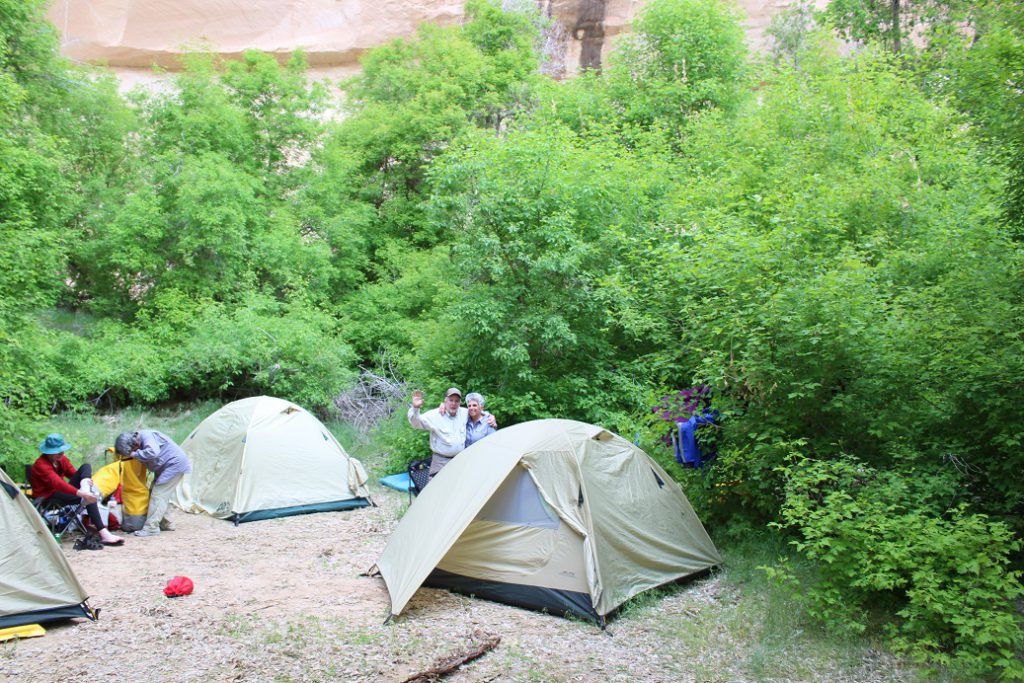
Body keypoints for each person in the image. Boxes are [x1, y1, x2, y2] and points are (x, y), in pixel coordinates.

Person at [29, 433, 124, 546]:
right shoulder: (41, 465)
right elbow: (57, 483)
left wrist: (85, 482)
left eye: (62, 450)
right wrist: (81, 493)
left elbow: (73, 473)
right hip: (47, 497)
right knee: (88, 497)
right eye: (57, 452)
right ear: (48, 452)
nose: (61, 453)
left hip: (60, 492)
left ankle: (86, 488)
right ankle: (104, 533)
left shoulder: (61, 459)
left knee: (86, 467)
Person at [114, 430, 191, 538]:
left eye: (130, 451)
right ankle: (165, 523)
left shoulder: (146, 436)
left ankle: (151, 527)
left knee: (158, 495)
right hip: (166, 467)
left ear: (133, 445)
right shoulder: (140, 440)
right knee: (154, 494)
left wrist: (134, 454)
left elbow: (153, 452)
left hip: (174, 465)